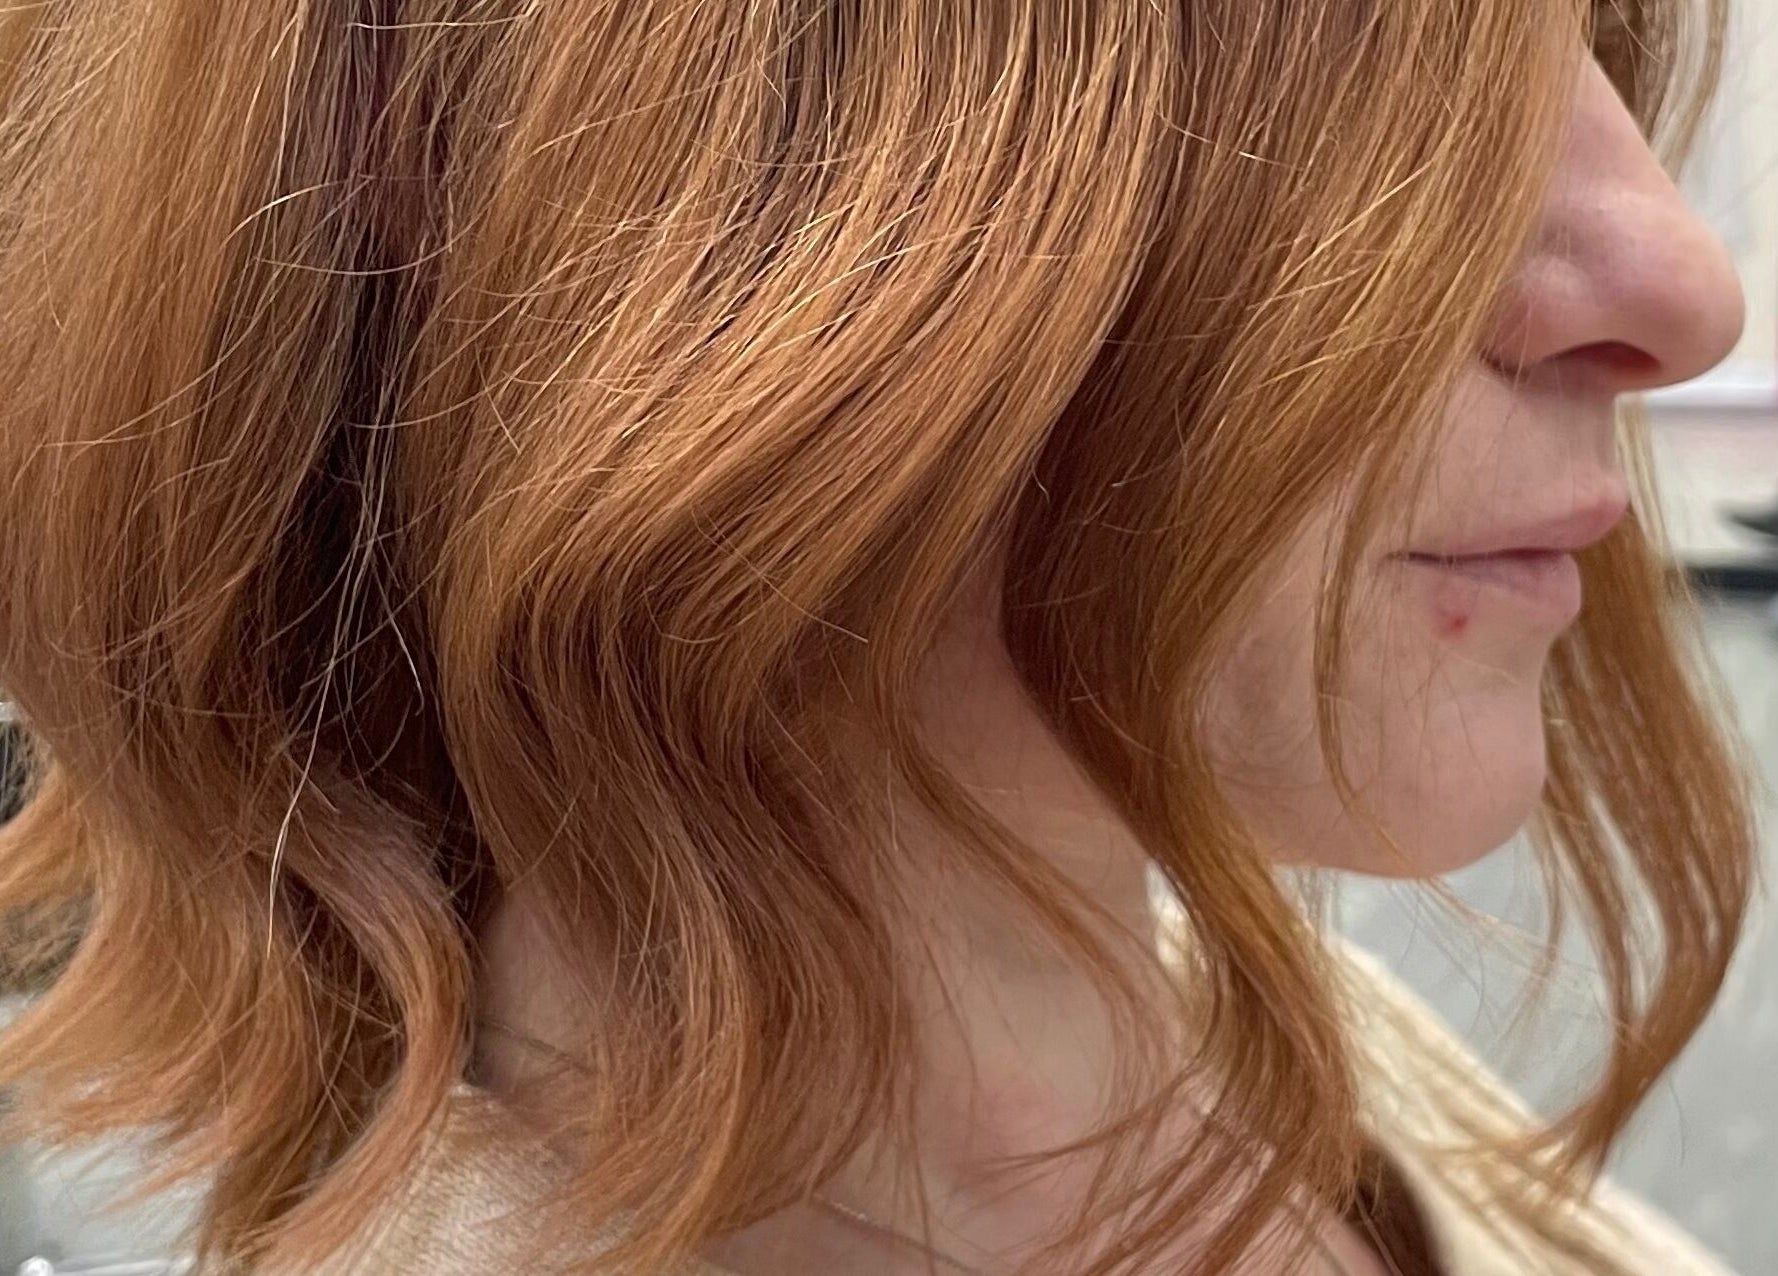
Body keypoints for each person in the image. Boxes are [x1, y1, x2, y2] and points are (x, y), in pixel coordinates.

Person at [0, 1, 1755, 1273]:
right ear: (438, 118)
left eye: (1576, 34)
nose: (1682, 289)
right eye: (1346, 45)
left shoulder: (1284, 1053)